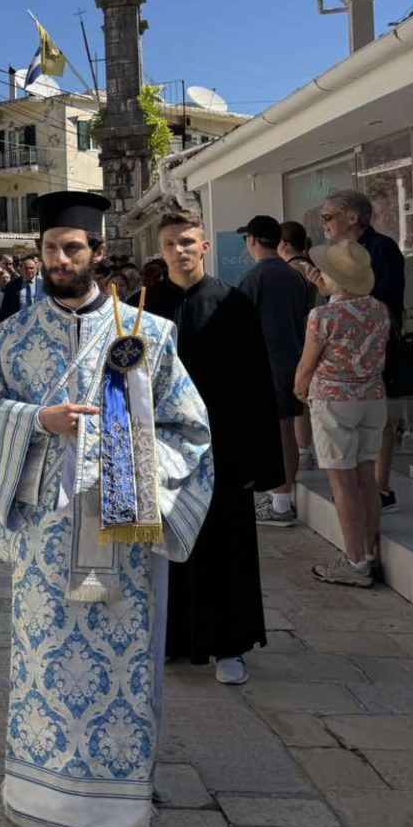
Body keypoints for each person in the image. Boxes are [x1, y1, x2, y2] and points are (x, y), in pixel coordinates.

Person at [0, 191, 213, 827]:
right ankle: (37, 794)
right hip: (44, 542)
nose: (61, 258)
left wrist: (135, 470)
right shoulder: (12, 337)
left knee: (124, 672)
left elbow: (191, 430)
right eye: (50, 248)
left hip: (123, 539)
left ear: (98, 253)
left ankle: (119, 810)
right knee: (44, 666)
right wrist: (36, 421)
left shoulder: (146, 336)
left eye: (74, 247)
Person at [146, 212, 282, 686]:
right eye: (169, 244)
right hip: (162, 450)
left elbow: (256, 385)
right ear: (161, 252)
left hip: (221, 450)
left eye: (187, 242)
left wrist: (258, 460)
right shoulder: (147, 307)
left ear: (203, 247)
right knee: (167, 547)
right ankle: (173, 641)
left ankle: (230, 646)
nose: (179, 250)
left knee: (227, 548)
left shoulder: (233, 304)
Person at [295, 240, 391, 588]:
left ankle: (354, 562)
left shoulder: (323, 316)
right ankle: (367, 552)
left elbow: (308, 363)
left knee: (342, 483)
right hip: (372, 396)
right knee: (367, 477)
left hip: (334, 398)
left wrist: (299, 388)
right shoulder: (378, 309)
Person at [319, 190, 406, 514]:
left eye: (328, 217)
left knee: (377, 422)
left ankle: (380, 488)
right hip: (343, 356)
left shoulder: (380, 249)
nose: (323, 224)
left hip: (374, 350)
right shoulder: (341, 251)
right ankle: (362, 487)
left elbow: (383, 301)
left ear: (352, 218)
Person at [237, 215, 310, 528]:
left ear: (253, 240)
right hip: (293, 361)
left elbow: (238, 324)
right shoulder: (296, 276)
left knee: (278, 435)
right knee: (287, 434)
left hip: (267, 365)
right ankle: (282, 497)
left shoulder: (254, 278)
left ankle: (281, 503)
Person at [279, 220, 319, 469]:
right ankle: (305, 448)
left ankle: (303, 448)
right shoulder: (312, 266)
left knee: (300, 394)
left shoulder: (292, 269)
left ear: (283, 243)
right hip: (313, 334)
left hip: (303, 335)